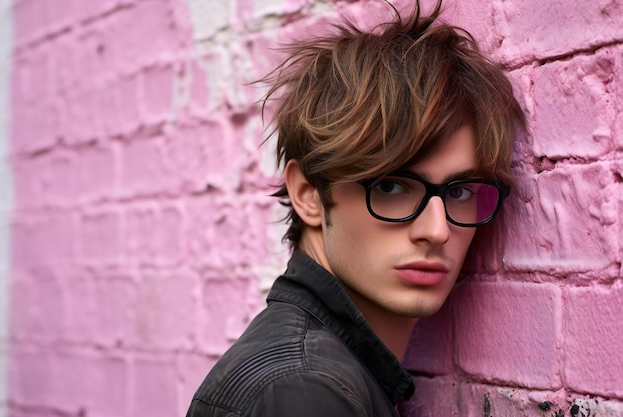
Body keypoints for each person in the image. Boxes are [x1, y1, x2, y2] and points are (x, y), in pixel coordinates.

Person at [186, 1, 525, 416]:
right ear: (309, 194)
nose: (436, 231)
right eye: (391, 186)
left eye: (459, 192)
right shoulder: (305, 391)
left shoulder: (322, 376)